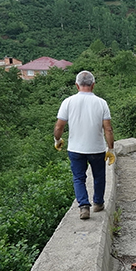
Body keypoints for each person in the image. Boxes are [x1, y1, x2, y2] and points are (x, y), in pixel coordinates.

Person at [54, 70, 115, 220]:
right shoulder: (101, 103)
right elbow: (108, 128)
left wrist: (57, 140)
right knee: (99, 176)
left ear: (77, 85)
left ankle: (84, 207)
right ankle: (98, 203)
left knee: (78, 178)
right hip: (97, 149)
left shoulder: (68, 102)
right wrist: (111, 148)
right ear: (93, 85)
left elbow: (59, 127)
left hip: (75, 148)